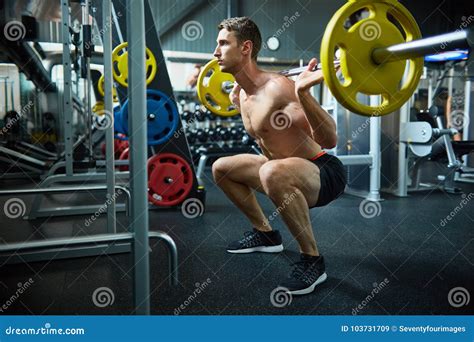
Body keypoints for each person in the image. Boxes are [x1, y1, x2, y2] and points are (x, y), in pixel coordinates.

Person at [211, 17, 347, 296]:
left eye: (224, 43)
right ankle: (265, 234)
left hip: (322, 171)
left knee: (270, 172)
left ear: (246, 48)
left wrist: (303, 93)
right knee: (221, 168)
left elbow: (330, 139)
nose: (216, 52)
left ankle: (313, 261)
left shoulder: (277, 88)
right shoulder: (244, 97)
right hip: (280, 168)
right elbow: (268, 139)